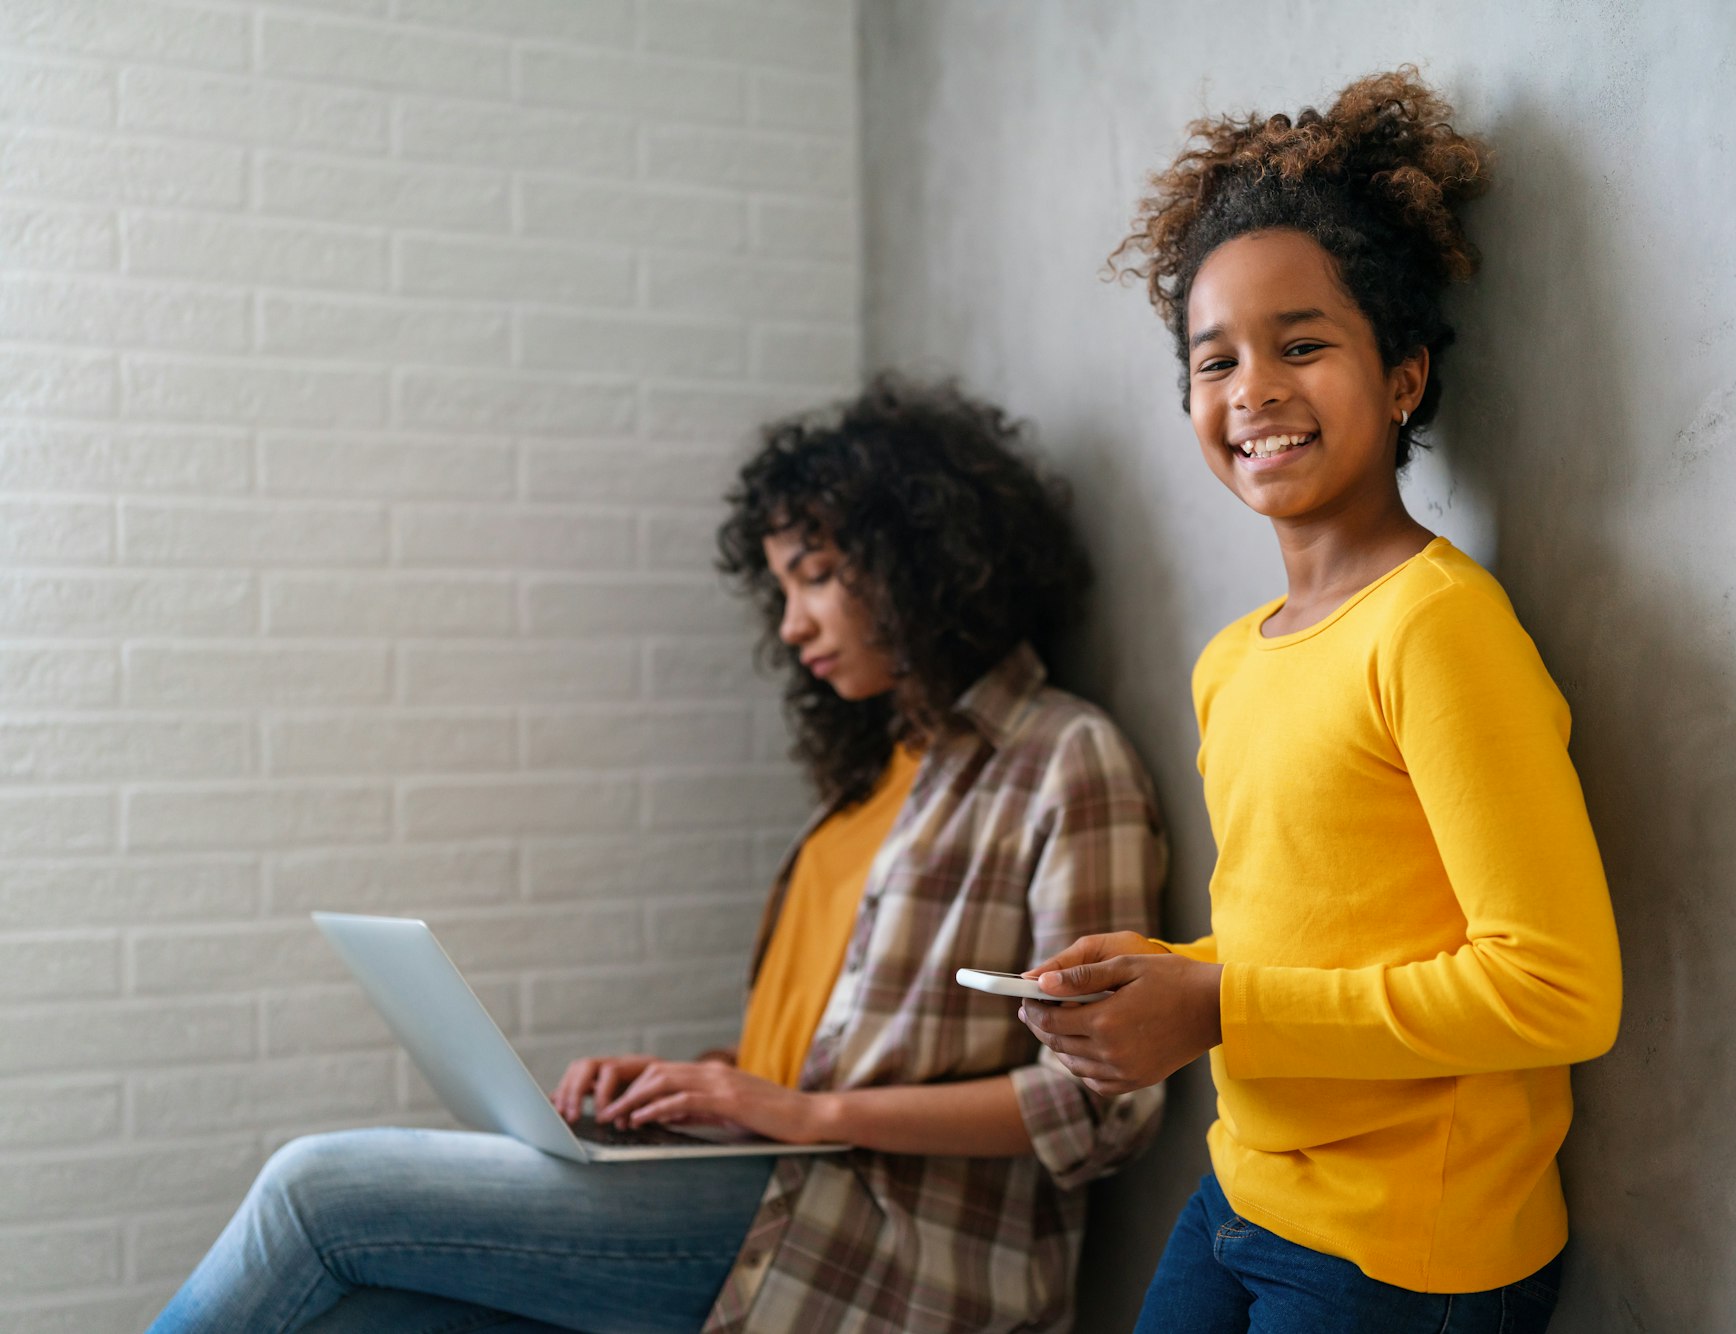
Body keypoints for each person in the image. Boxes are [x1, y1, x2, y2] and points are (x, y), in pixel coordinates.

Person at [150, 376, 1168, 1334]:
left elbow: (1097, 1100)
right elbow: (817, 1060)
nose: (791, 622)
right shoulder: (869, 785)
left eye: (814, 575)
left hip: (889, 1251)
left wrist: (801, 1108)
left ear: (920, 559)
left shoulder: (1061, 759)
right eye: (779, 587)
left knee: (315, 1188)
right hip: (764, 1181)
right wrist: (702, 1083)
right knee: (357, 1313)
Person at [1018, 69, 1623, 1333]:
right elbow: (1320, 936)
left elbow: (1557, 986)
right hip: (1242, 1193)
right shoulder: (1231, 658)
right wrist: (1161, 977)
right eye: (1215, 358)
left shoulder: (1438, 628)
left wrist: (1221, 1004)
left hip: (1407, 1250)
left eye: (1302, 345)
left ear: (1401, 376)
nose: (1253, 390)